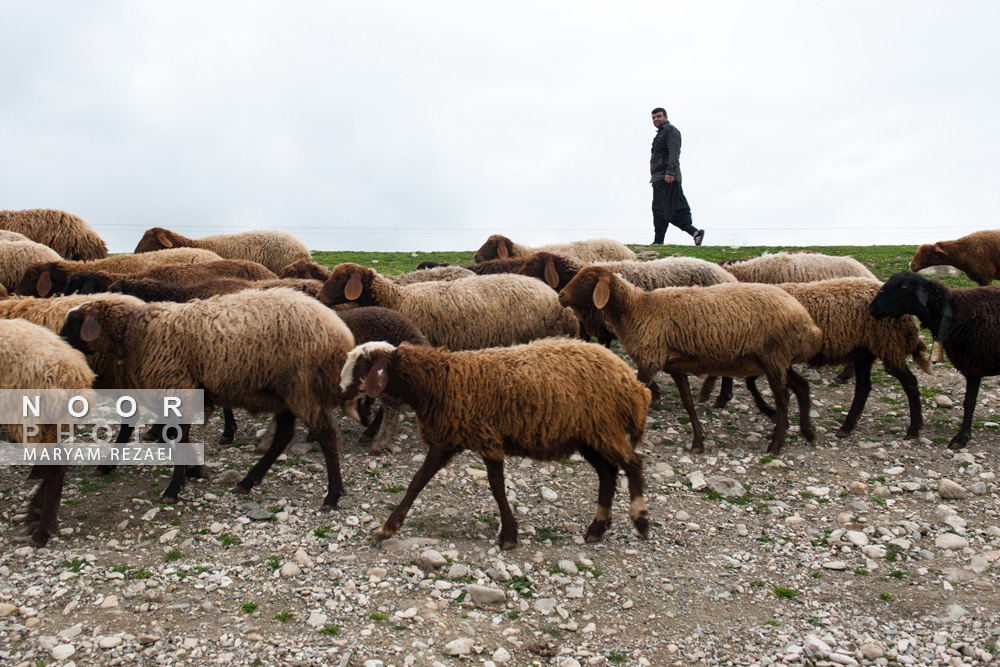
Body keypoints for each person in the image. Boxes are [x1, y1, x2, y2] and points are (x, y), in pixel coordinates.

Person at [650, 107, 703, 245]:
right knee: (676, 210)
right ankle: (695, 232)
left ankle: (658, 242)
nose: (656, 119)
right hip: (661, 177)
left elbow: (674, 152)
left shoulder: (670, 131)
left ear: (666, 117)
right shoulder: (660, 134)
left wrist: (670, 171)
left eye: (659, 116)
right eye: (653, 117)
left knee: (659, 208)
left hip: (666, 177)